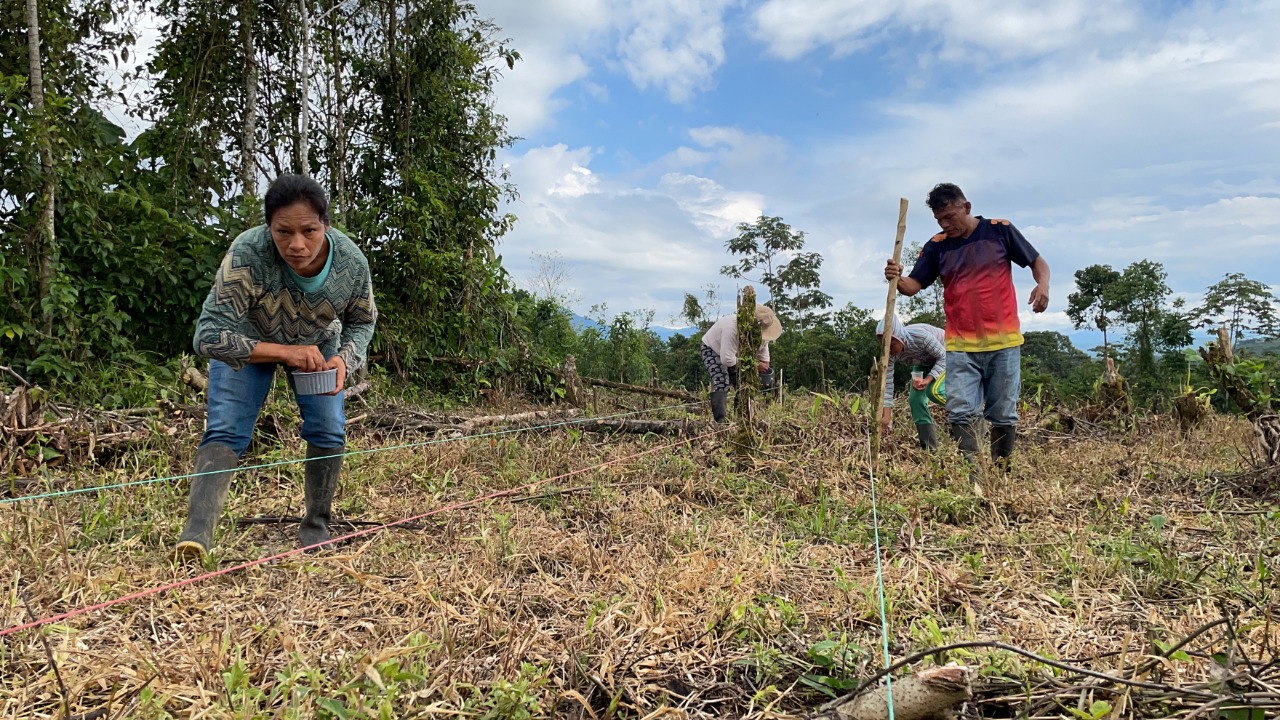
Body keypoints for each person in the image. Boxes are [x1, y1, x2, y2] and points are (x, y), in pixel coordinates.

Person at [172, 175, 377, 561]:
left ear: (325, 226)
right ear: (269, 227)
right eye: (283, 231)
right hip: (248, 342)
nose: (296, 244)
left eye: (309, 231)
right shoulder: (248, 252)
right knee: (226, 429)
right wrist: (285, 352)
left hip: (320, 347)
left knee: (328, 427)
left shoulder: (351, 263)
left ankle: (316, 527)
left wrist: (343, 360)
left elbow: (363, 321)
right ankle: (197, 533)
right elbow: (208, 335)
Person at [884, 183, 1049, 474]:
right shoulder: (937, 246)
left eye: (950, 217)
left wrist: (1043, 285)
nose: (946, 225)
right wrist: (896, 277)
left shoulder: (1000, 230)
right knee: (959, 410)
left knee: (1003, 413)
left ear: (967, 208)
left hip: (1004, 341)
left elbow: (1037, 262)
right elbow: (913, 286)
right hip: (960, 345)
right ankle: (973, 474)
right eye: (939, 220)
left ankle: (1000, 473)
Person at [701, 305, 782, 422]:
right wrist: (754, 365)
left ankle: (741, 419)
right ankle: (721, 422)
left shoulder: (764, 336)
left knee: (744, 384)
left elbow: (764, 360)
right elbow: (727, 360)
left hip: (737, 356)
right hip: (713, 349)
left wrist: (761, 368)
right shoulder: (732, 329)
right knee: (722, 381)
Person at [876, 316, 946, 450]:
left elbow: (943, 357)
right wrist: (886, 417)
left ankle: (968, 412)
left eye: (892, 345)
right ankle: (929, 448)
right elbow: (888, 385)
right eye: (885, 346)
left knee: (935, 391)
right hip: (924, 363)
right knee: (916, 401)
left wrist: (928, 379)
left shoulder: (921, 337)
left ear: (899, 337)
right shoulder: (888, 355)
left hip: (947, 355)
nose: (889, 350)